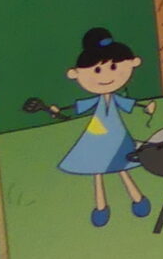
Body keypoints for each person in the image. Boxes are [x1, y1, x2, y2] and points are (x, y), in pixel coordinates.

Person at [26, 28, 153, 227]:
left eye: (114, 67)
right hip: (96, 138)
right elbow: (77, 107)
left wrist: (146, 107)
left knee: (122, 168)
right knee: (97, 171)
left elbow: (131, 104)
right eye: (97, 70)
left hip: (117, 138)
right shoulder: (97, 101)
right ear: (75, 74)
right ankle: (101, 208)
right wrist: (56, 110)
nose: (107, 76)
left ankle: (138, 199)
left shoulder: (115, 99)